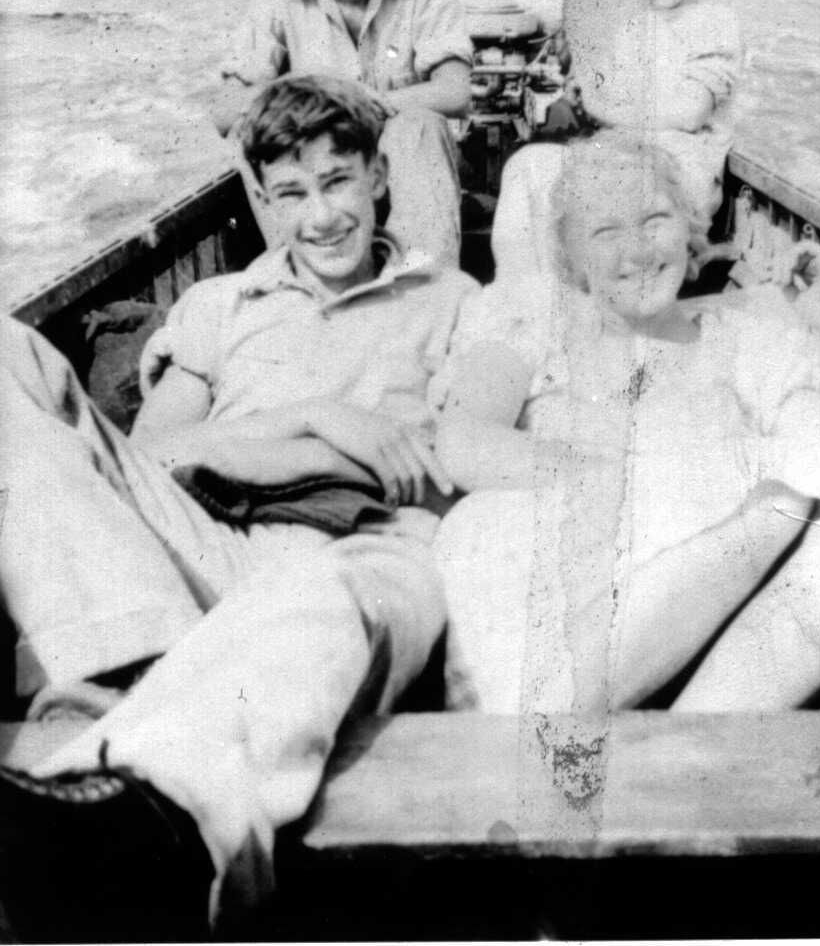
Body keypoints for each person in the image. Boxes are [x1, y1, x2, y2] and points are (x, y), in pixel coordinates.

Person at [0, 75, 476, 940]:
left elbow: (447, 465)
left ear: (378, 177)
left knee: (336, 591)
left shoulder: (451, 300)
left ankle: (144, 803)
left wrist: (244, 448)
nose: (319, 217)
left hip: (353, 549)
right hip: (205, 545)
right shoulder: (220, 304)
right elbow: (156, 454)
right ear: (259, 200)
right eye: (290, 194)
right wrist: (316, 419)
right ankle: (117, 675)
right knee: (6, 350)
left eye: (337, 182)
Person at [431, 133, 820, 715]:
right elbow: (462, 441)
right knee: (775, 498)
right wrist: (631, 478)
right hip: (556, 584)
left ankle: (687, 735)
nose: (637, 251)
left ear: (690, 232)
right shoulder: (534, 327)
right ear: (573, 261)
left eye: (655, 220)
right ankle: (548, 717)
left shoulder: (749, 344)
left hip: (700, 629)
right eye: (605, 233)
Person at [213, 0, 473, 266]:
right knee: (248, 133)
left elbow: (455, 92)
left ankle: (423, 284)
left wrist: (372, 104)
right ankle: (305, 276)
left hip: (407, 183)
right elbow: (226, 111)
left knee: (420, 126)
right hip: (323, 185)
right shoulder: (278, 1)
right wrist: (325, 98)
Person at [579, 0, 742, 222]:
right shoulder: (631, 31)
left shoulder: (714, 22)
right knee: (530, 168)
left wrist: (600, 107)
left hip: (682, 169)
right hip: (626, 157)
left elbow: (689, 115)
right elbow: (605, 95)